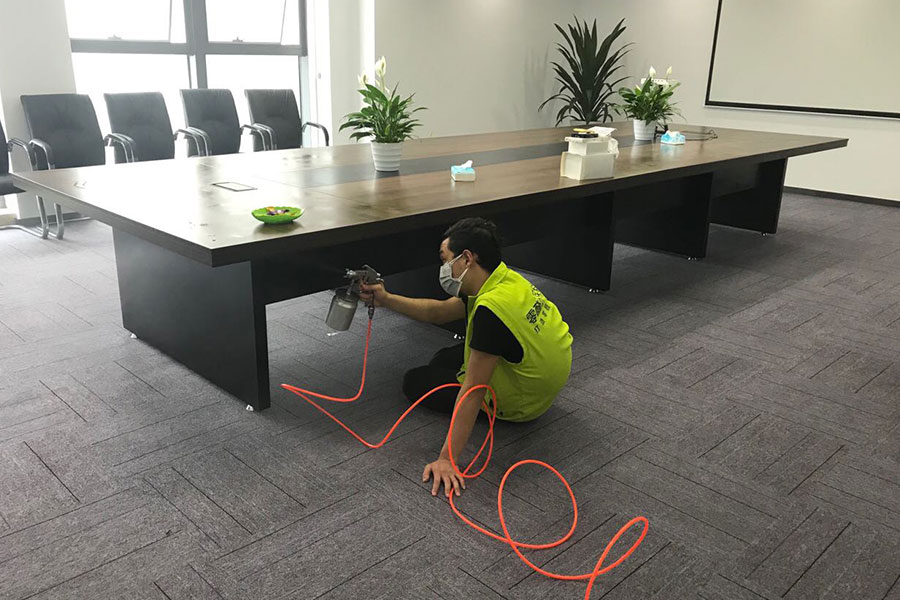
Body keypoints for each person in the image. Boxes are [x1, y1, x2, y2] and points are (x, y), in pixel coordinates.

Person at [360, 218, 573, 498]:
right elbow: (438, 312)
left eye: (445, 259)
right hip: (540, 375)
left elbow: (474, 390)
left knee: (415, 381)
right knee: (442, 359)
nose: (443, 269)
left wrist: (447, 459)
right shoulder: (502, 279)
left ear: (467, 258)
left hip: (524, 401)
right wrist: (386, 299)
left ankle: (498, 412)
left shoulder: (491, 310)